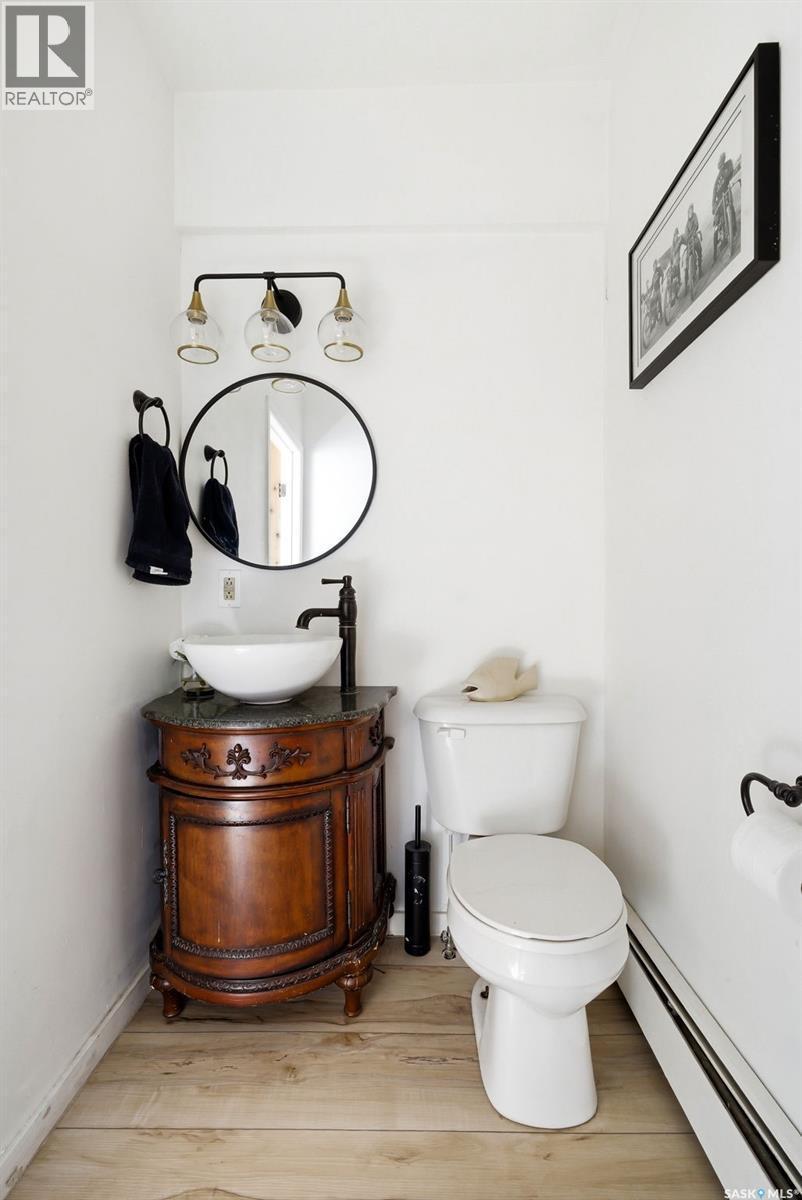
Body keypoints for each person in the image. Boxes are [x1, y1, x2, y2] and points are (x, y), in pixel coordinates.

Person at [712, 151, 737, 241]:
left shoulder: (728, 165)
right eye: (719, 164)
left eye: (721, 163)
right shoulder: (717, 179)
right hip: (719, 200)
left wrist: (731, 180)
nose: (720, 166)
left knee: (730, 208)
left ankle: (733, 230)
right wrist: (713, 205)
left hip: (727, 193)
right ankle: (721, 234)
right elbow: (714, 192)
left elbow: (731, 172)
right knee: (719, 217)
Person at [685, 204, 702, 279]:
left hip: (694, 237)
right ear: (688, 212)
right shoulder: (687, 223)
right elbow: (686, 233)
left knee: (699, 250)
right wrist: (687, 237)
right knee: (688, 255)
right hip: (689, 241)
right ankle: (691, 272)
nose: (690, 212)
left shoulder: (695, 216)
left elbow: (696, 225)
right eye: (689, 210)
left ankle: (700, 268)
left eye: (692, 210)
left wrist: (692, 233)